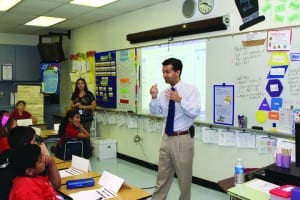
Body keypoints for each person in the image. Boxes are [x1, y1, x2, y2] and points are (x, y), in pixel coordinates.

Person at [149, 58, 201, 200]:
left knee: (184, 181)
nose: (165, 75)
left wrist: (180, 100)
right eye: (163, 72)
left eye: (168, 72)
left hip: (182, 139)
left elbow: (195, 112)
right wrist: (154, 97)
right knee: (162, 178)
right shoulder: (164, 93)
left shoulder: (191, 90)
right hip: (167, 139)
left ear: (177, 72)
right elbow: (156, 111)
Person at [0, 126, 61, 200]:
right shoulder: (29, 164)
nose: (38, 144)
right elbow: (54, 185)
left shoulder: (9, 155)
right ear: (26, 145)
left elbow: (53, 185)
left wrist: (50, 161)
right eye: (34, 141)